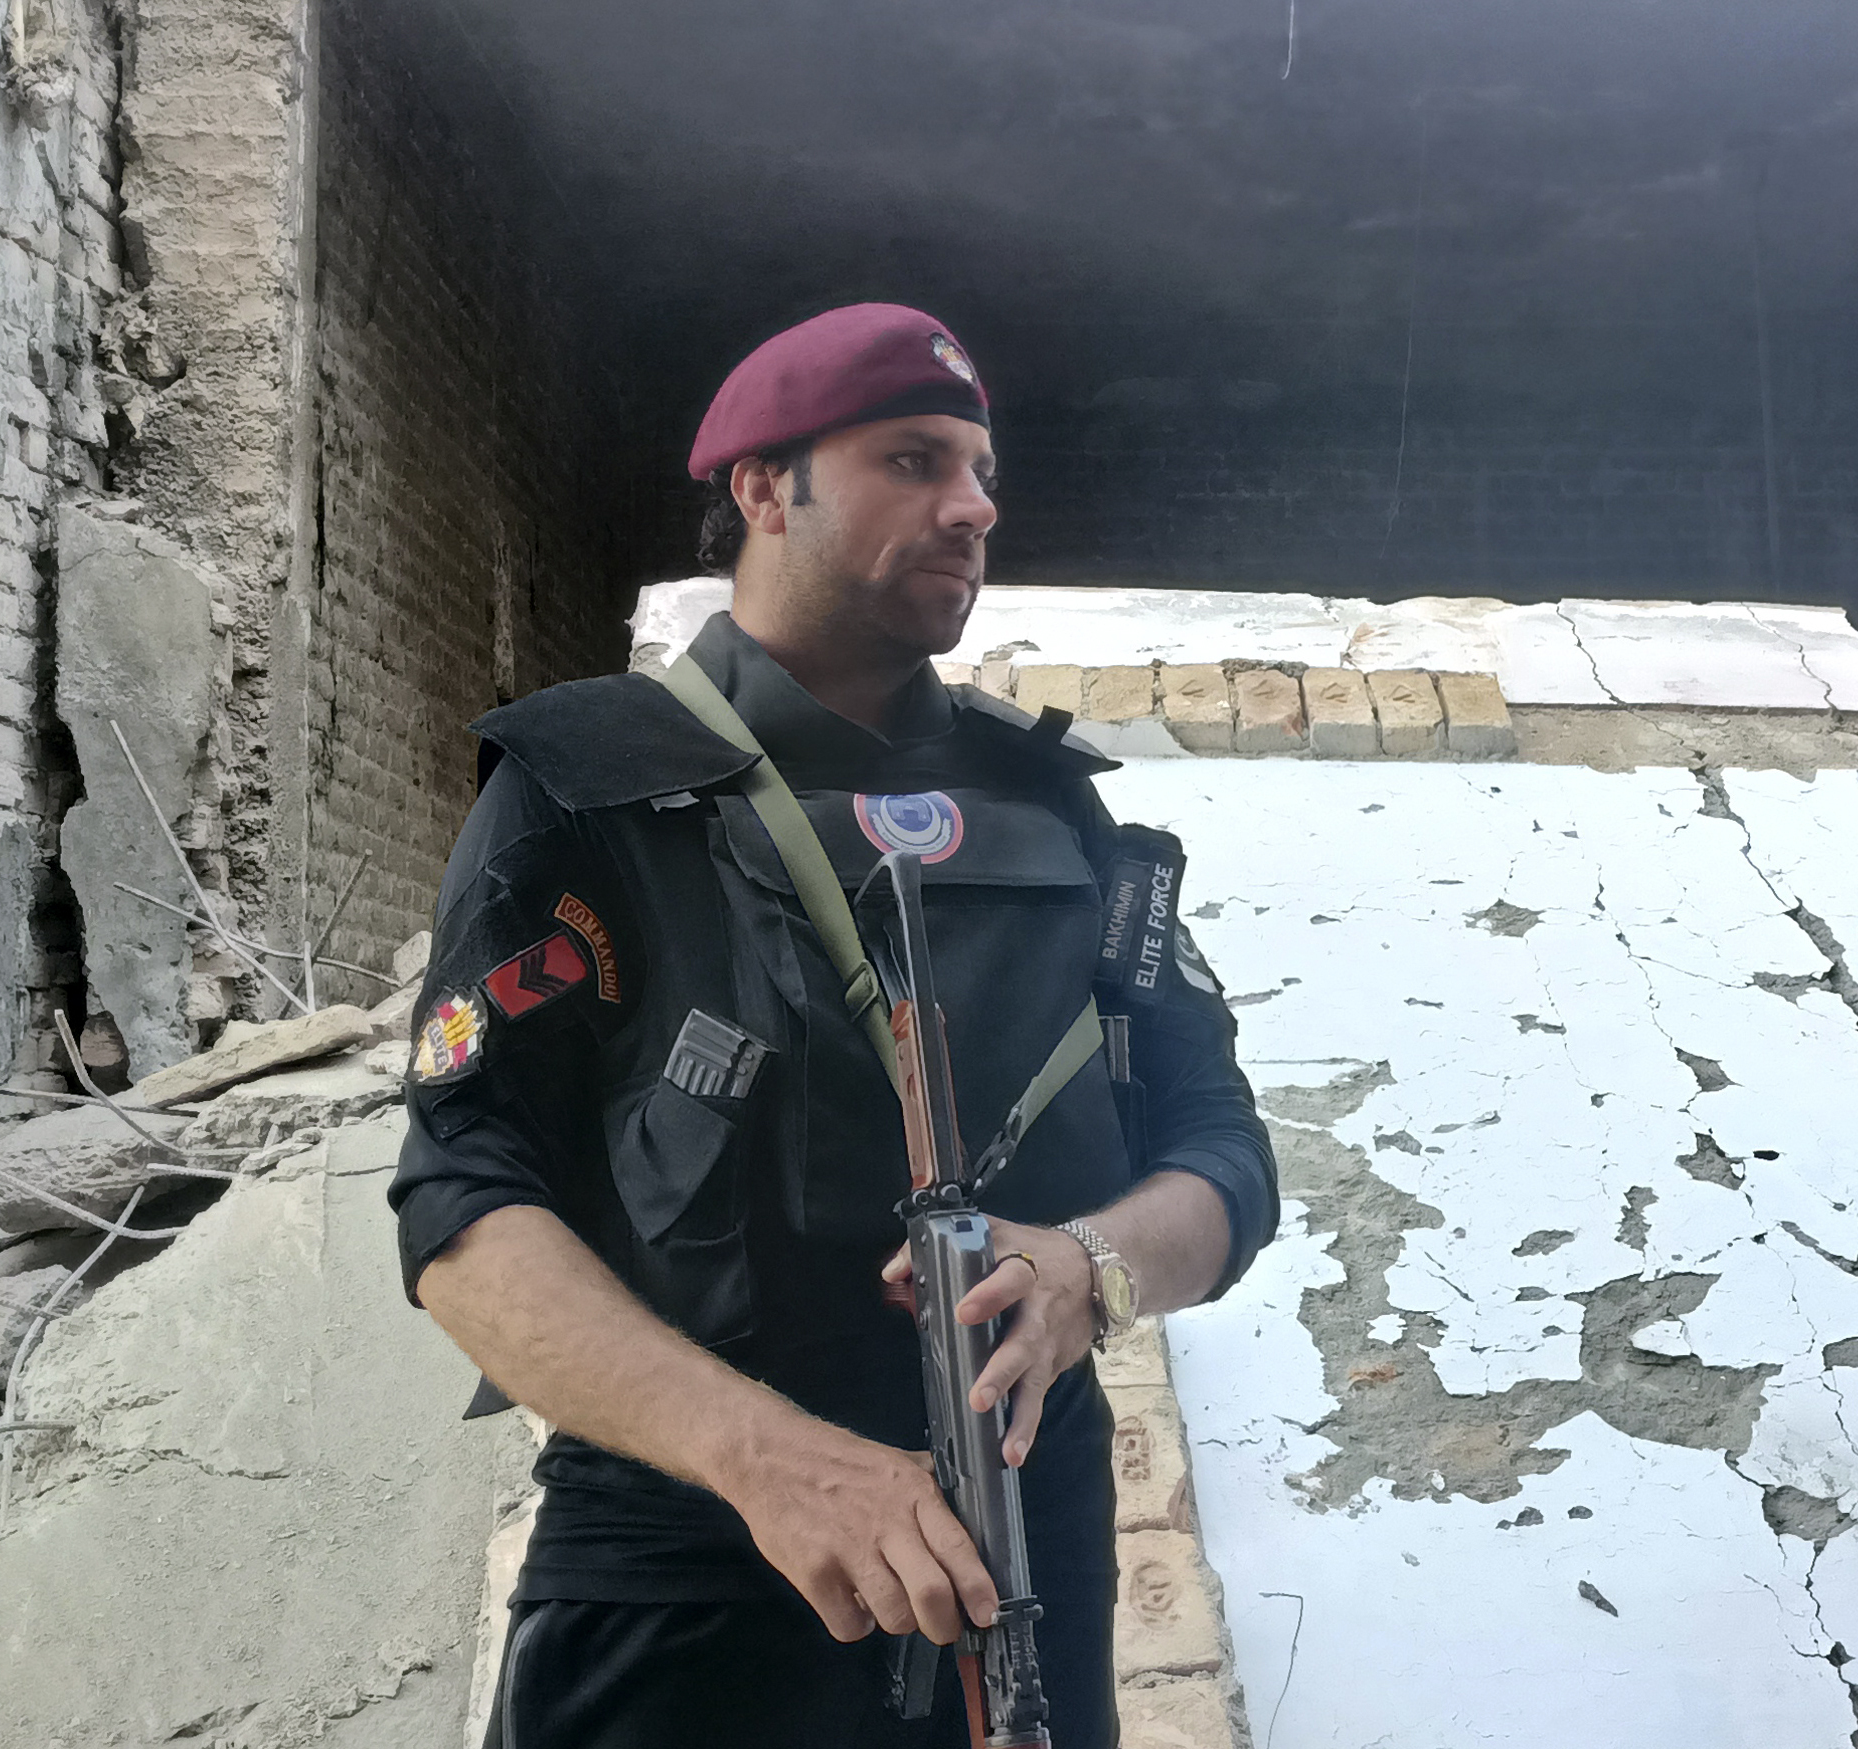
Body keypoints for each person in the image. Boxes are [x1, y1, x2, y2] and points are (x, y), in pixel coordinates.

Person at [390, 302, 1275, 1749]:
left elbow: (1223, 1151)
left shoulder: (1052, 801)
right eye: (913, 459)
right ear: (763, 486)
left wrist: (1090, 1267)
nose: (973, 507)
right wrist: (767, 1458)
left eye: (982, 473)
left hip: (1022, 1563)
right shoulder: (589, 786)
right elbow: (459, 1206)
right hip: (692, 1582)